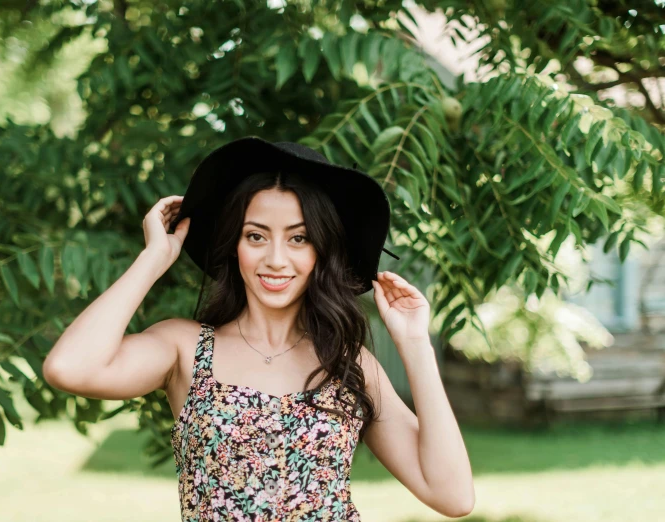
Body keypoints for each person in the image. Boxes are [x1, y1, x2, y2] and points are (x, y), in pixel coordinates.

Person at [43, 137, 475, 521]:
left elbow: (452, 497)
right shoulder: (184, 347)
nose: (275, 259)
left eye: (298, 238)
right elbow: (69, 368)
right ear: (234, 246)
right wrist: (154, 258)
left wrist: (415, 343)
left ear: (321, 252)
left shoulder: (346, 364)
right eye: (255, 236)